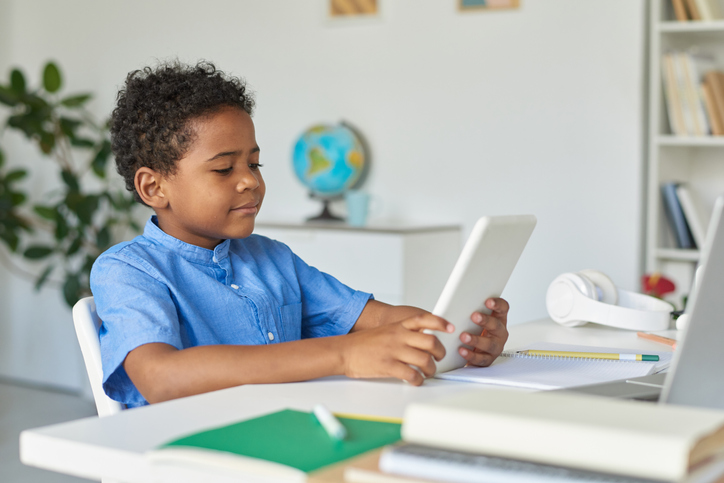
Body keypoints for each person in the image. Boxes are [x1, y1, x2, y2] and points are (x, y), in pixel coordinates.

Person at [90, 61, 510, 408]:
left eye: (254, 165)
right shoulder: (127, 270)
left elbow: (377, 319)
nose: (249, 182)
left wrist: (459, 333)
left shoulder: (271, 257)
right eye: (224, 169)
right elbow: (160, 377)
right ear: (153, 188)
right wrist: (343, 355)